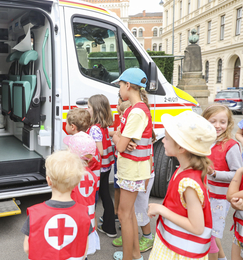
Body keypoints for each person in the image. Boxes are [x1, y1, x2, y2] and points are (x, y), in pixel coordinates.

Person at [148, 110, 216, 260]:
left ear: (181, 148)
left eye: (166, 138)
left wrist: (161, 209)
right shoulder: (183, 168)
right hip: (173, 245)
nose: (163, 142)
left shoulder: (188, 183)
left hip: (180, 252)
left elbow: (197, 227)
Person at [112, 68, 153, 260]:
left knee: (124, 214)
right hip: (131, 169)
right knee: (129, 214)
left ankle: (130, 257)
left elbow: (119, 145)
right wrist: (121, 139)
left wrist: (120, 140)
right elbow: (118, 137)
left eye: (120, 85)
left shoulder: (136, 112)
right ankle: (135, 254)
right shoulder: (133, 109)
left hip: (132, 170)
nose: (119, 90)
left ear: (128, 85)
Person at [21, 150, 91, 260]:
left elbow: (27, 248)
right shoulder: (83, 213)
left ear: (49, 180)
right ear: (77, 183)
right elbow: (84, 249)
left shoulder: (35, 214)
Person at [202, 104, 242, 260]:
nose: (218, 126)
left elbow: (236, 174)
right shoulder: (205, 142)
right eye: (213, 121)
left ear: (229, 123)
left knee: (212, 235)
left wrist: (215, 173)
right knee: (210, 233)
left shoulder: (231, 146)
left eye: (222, 122)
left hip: (220, 198)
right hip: (205, 195)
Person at [64, 132, 100, 256]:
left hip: (74, 222)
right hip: (88, 222)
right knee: (83, 254)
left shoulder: (71, 177)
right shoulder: (92, 175)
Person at [86, 94, 117, 238]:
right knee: (106, 195)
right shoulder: (103, 125)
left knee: (101, 196)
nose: (87, 110)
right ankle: (108, 225)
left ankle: (108, 227)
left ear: (96, 110)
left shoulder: (94, 129)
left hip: (100, 168)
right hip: (107, 166)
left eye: (89, 107)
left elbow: (99, 151)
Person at [227, 153, 243, 260]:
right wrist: (236, 204)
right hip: (240, 233)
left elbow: (230, 196)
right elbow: (232, 199)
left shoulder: (242, 173)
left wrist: (239, 171)